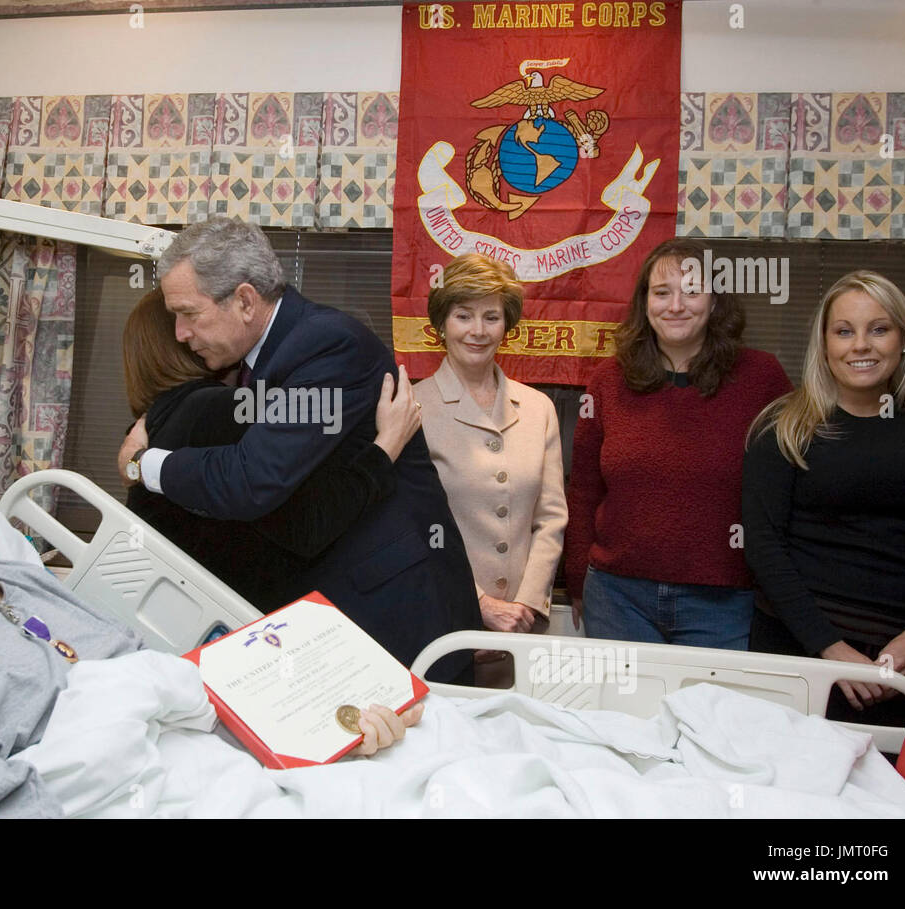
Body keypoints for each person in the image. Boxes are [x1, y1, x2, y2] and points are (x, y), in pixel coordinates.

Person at [0, 386, 422, 818]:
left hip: (256, 778)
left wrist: (319, 726)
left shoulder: (13, 578)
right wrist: (119, 705)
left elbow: (159, 676)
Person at [116, 217, 481, 683]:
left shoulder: (325, 345)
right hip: (345, 600)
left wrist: (142, 464)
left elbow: (252, 480)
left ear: (245, 300)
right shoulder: (264, 362)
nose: (181, 333)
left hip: (400, 607)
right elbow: (295, 513)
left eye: (188, 313)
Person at [123, 288, 422, 613]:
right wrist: (386, 446)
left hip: (171, 608)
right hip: (230, 617)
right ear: (185, 340)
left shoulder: (157, 418)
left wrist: (136, 464)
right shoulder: (216, 409)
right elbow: (311, 525)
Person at [563, 238, 791, 648]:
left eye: (691, 291)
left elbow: (787, 486)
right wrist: (577, 575)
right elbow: (583, 488)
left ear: (715, 301)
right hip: (617, 597)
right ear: (644, 302)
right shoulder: (608, 380)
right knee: (621, 696)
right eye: (661, 292)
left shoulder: (761, 378)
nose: (675, 305)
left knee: (712, 696)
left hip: (724, 602)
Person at [743, 270, 905, 726]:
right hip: (798, 655)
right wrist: (830, 649)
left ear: (904, 339)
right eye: (844, 331)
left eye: (879, 329)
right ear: (824, 344)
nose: (861, 345)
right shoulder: (783, 429)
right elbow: (764, 548)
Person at [413, 253, 567, 641]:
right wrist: (478, 603)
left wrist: (526, 606)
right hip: (442, 615)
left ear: (506, 325)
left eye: (491, 317)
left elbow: (550, 518)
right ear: (442, 323)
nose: (478, 331)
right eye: (464, 316)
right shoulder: (412, 408)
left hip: (522, 628)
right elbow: (411, 524)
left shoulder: (539, 409)